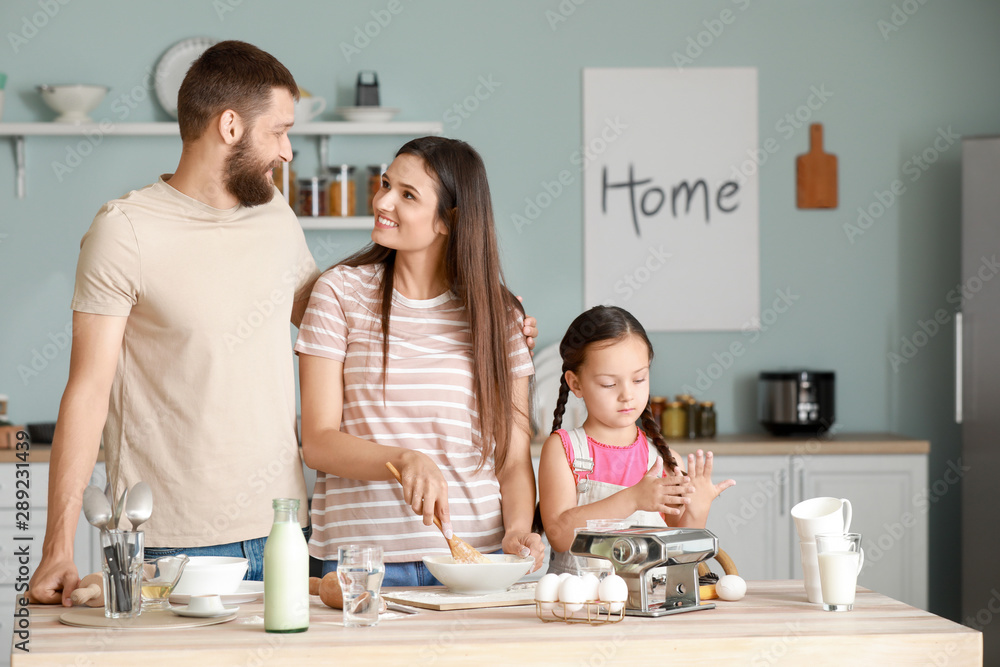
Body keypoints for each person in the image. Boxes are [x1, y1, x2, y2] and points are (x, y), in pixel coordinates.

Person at [28, 40, 538, 605]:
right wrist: (57, 547)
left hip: (283, 530)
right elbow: (87, 391)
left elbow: (325, 311)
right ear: (229, 127)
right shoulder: (123, 230)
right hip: (174, 538)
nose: (288, 151)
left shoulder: (271, 211)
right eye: (278, 130)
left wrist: (492, 324)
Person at [295, 137, 545, 585]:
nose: (383, 201)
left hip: (473, 559)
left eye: (407, 195)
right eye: (386, 184)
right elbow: (317, 441)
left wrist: (518, 532)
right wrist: (405, 459)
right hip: (361, 561)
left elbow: (511, 456)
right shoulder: (339, 293)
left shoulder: (499, 315)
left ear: (449, 221)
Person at [537, 306, 734, 574]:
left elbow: (680, 553)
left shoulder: (664, 459)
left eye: (639, 379)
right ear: (576, 384)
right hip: (584, 609)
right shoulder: (563, 450)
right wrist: (632, 499)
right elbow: (559, 535)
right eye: (609, 384)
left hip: (650, 607)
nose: (627, 395)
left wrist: (698, 510)